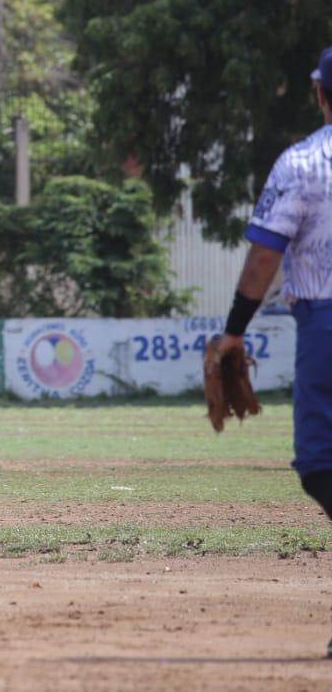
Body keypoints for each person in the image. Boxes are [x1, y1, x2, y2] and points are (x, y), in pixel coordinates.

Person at [220, 45, 332, 655]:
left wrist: (235, 327)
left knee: (320, 463)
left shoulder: (306, 162)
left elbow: (266, 254)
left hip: (327, 323)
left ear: (320, 94)